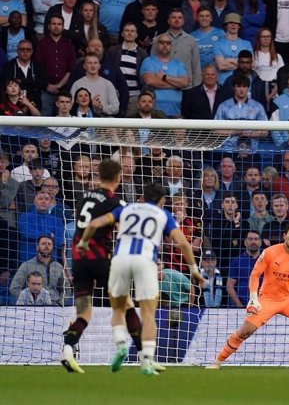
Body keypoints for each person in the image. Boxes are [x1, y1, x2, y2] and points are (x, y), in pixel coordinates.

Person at [76, 181, 204, 375]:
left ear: (143, 195)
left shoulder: (125, 208)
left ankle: (120, 344)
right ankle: (147, 360)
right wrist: (194, 269)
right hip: (145, 262)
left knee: (119, 309)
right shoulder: (163, 214)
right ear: (162, 201)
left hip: (119, 261)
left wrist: (84, 242)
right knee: (148, 314)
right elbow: (184, 244)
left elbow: (94, 223)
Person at [60, 160, 150, 374]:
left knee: (84, 313)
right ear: (118, 178)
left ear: (99, 176)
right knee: (127, 305)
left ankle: (67, 349)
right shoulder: (114, 202)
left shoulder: (83, 198)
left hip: (79, 261)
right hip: (101, 260)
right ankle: (144, 358)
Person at [206, 223, 289, 370]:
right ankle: (217, 361)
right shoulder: (270, 252)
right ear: (285, 236)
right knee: (245, 331)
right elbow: (255, 274)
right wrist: (253, 297)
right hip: (268, 299)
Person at [140, 33, 190, 116]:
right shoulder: (148, 61)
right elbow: (150, 81)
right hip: (153, 112)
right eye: (162, 42)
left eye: (168, 43)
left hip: (175, 112)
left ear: (172, 46)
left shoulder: (179, 64)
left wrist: (164, 77)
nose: (165, 45)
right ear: (156, 44)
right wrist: (176, 85)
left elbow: (184, 83)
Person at [10, 235, 65, 305]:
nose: (46, 246)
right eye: (43, 243)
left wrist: (60, 303)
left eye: (49, 244)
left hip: (54, 307)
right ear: (37, 247)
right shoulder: (27, 265)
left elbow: (66, 287)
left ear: (53, 248)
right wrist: (29, 300)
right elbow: (14, 288)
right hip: (32, 308)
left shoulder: (58, 266)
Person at [227, 231, 262, 307]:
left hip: (263, 305)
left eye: (256, 239)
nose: (253, 241)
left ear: (260, 242)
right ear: (245, 242)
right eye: (250, 239)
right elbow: (229, 286)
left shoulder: (267, 260)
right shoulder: (237, 261)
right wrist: (239, 304)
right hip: (242, 305)